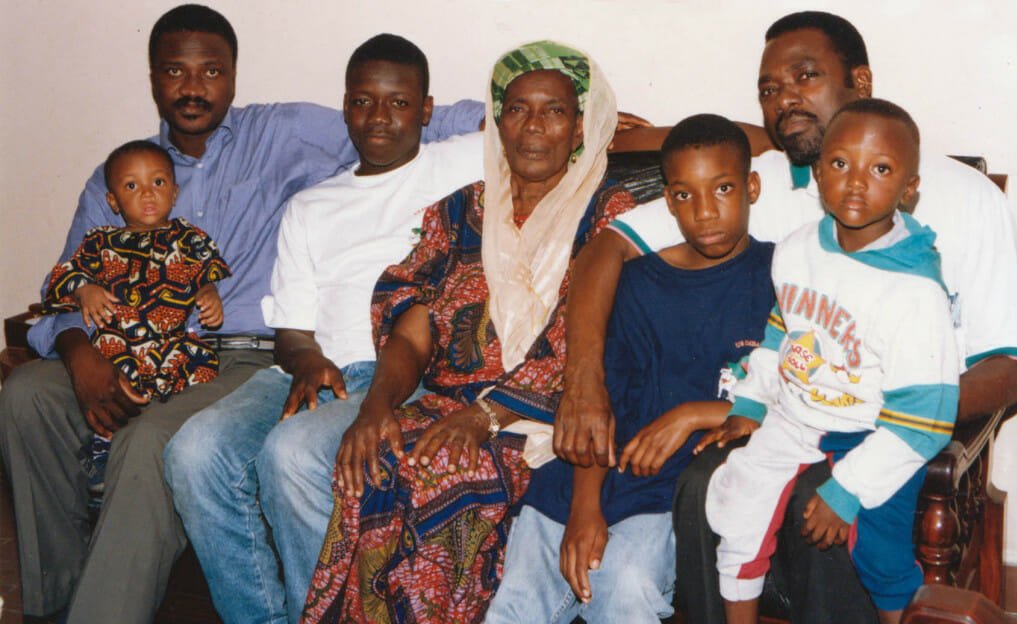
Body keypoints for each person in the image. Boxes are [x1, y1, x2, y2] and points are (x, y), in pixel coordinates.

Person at [0, 4, 483, 622]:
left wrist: (545, 114)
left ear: (232, 76)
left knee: (154, 439)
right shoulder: (120, 172)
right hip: (119, 347)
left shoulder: (284, 133)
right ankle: (52, 602)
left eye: (211, 71)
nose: (193, 87)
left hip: (238, 352)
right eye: (175, 71)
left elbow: (408, 115)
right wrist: (79, 354)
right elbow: (68, 282)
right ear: (153, 78)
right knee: (26, 395)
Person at [554, 11, 1017, 623]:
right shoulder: (756, 180)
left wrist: (879, 411)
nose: (784, 99)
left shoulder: (965, 197)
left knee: (818, 504)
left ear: (860, 80)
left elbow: (1011, 365)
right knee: (703, 483)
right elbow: (607, 247)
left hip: (891, 424)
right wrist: (583, 382)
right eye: (769, 89)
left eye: (805, 76)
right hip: (782, 410)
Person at [300, 41, 636, 624]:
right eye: (517, 109)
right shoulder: (456, 214)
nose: (533, 127)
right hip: (444, 406)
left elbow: (597, 340)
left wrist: (484, 417)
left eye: (553, 111)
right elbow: (410, 330)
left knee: (448, 471)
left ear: (580, 127)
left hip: (542, 419)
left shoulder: (612, 216)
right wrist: (377, 406)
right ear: (497, 122)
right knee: (370, 458)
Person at [163, 33, 485, 624]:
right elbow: (292, 328)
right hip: (314, 372)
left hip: (402, 373)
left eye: (398, 103)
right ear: (345, 107)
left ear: (427, 110)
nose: (379, 118)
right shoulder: (311, 205)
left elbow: (540, 127)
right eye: (363, 102)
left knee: (291, 452)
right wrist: (307, 361)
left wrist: (604, 122)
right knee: (193, 449)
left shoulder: (459, 164)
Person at [485, 114, 775, 624]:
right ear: (668, 202)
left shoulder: (783, 276)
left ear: (752, 187)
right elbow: (600, 402)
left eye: (723, 188)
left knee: (627, 589)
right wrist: (584, 509)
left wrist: (697, 413)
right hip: (580, 479)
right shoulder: (640, 282)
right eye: (685, 195)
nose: (705, 211)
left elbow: (804, 391)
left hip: (667, 492)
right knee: (517, 605)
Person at [701, 99, 958, 624]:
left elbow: (924, 420)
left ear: (909, 190)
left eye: (880, 169)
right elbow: (783, 329)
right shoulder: (797, 250)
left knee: (878, 553)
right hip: (797, 415)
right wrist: (752, 399)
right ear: (818, 173)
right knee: (737, 511)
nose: (856, 183)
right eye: (840, 164)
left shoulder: (914, 291)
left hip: (876, 430)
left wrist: (846, 490)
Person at [43, 140, 229, 495]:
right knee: (115, 395)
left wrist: (209, 293)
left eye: (158, 183)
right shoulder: (99, 242)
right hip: (119, 344)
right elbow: (60, 280)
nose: (147, 194)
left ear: (174, 193)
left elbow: (209, 272)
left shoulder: (188, 237)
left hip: (172, 342)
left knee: (202, 370)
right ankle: (102, 452)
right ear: (112, 201)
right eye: (132, 186)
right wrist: (84, 289)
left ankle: (178, 458)